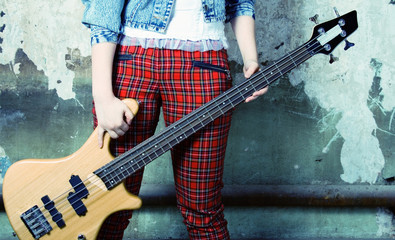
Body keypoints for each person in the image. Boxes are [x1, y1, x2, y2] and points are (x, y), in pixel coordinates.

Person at [81, 0, 267, 239]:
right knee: (107, 207)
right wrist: (103, 96)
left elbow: (240, 2)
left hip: (204, 65)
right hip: (131, 61)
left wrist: (251, 60)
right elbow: (103, 8)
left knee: (203, 210)